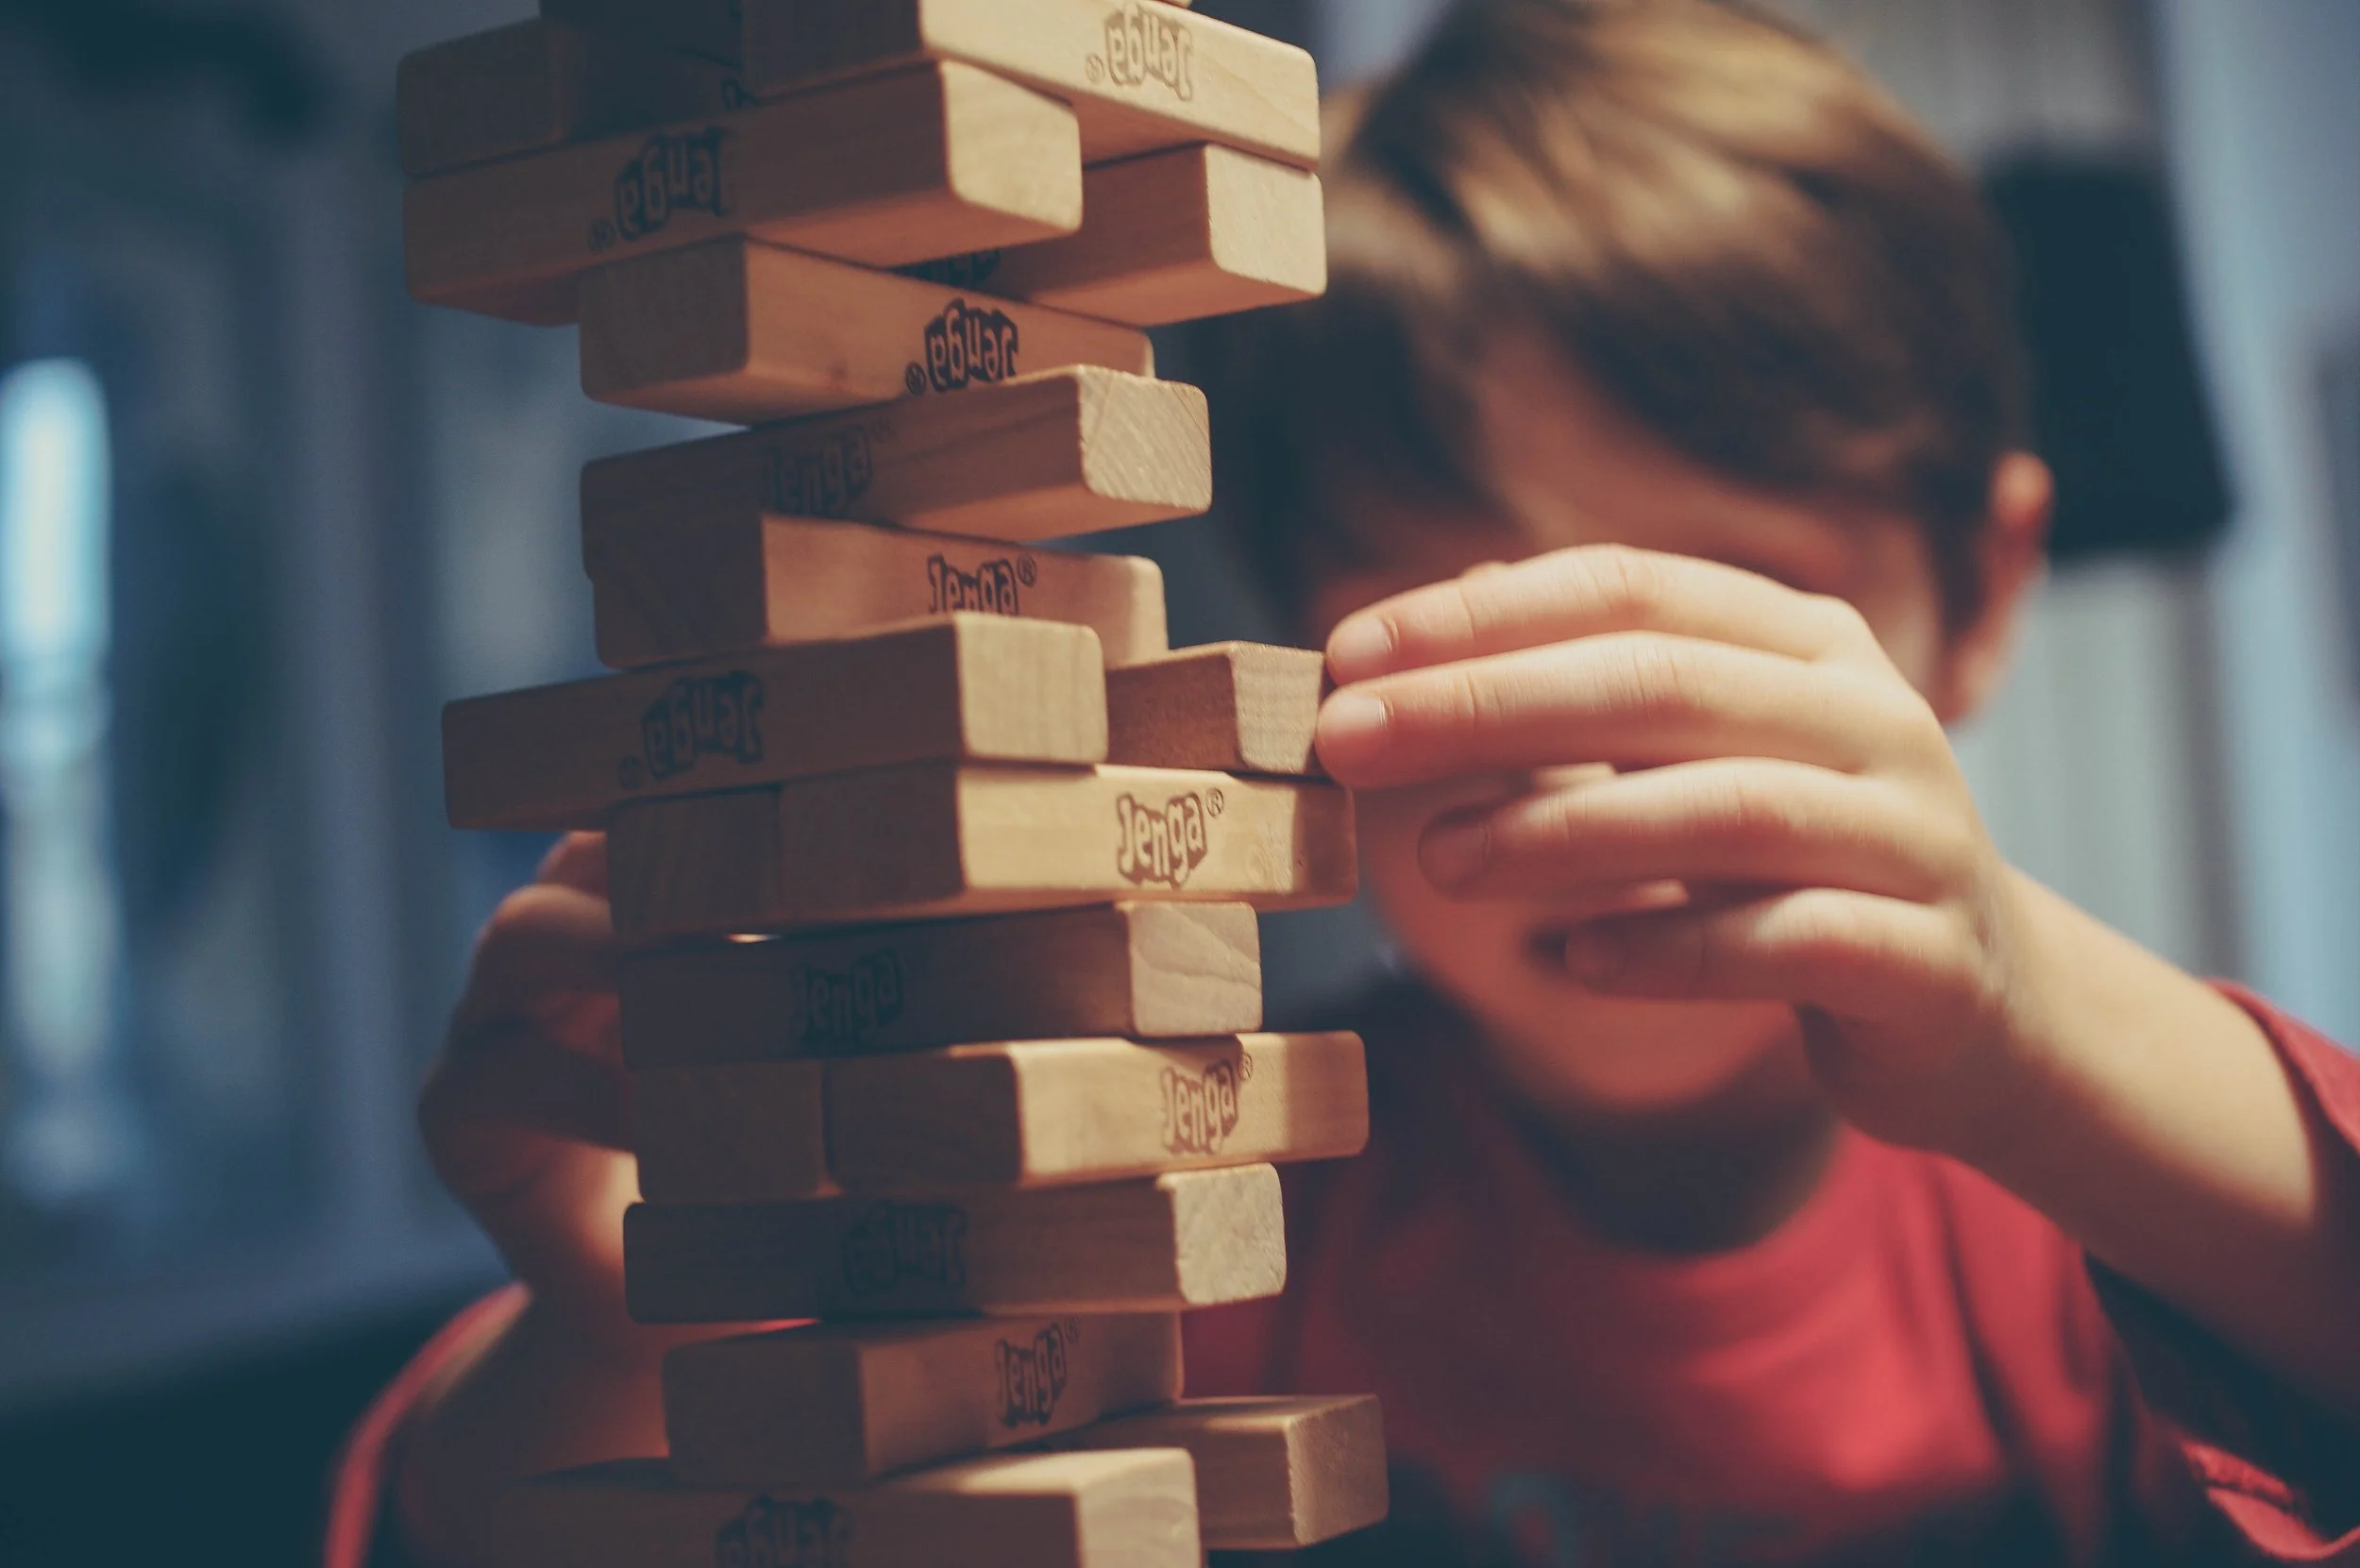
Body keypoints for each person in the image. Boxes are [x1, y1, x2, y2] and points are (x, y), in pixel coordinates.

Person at [334, 2, 2360, 1563]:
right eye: (1454, 630)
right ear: (1289, 660)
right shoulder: (1184, 1197)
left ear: (1978, 591)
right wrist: (636, 1325)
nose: (1590, 758)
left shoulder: (2099, 1206)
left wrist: (2021, 1019)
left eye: (1722, 619)